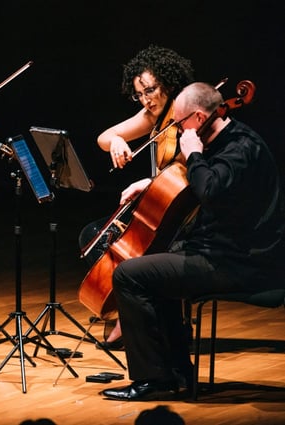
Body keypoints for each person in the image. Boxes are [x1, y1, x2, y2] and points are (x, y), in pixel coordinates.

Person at [100, 82, 285, 401]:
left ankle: (153, 379)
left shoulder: (239, 150)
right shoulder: (224, 139)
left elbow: (209, 191)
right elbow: (194, 181)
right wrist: (151, 183)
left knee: (129, 275)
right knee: (158, 264)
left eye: (179, 122)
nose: (176, 127)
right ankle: (175, 372)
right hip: (223, 252)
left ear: (199, 118)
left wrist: (194, 153)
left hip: (242, 263)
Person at [78, 45, 195, 349]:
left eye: (150, 90)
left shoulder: (187, 114)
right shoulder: (154, 115)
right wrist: (117, 140)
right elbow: (103, 138)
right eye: (139, 94)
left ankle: (136, 319)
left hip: (188, 217)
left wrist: (149, 181)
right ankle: (132, 316)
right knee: (94, 235)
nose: (145, 99)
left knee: (128, 253)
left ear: (168, 83)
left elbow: (189, 171)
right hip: (161, 211)